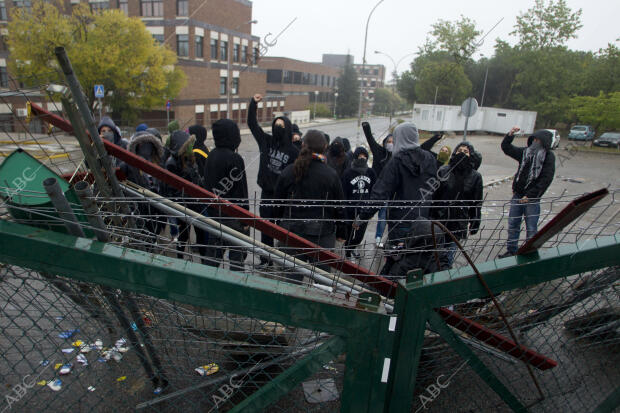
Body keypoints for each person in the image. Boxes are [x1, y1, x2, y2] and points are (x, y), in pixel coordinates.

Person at [358, 122, 437, 275]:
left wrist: (363, 216)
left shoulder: (397, 161)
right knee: (416, 259)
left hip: (400, 222)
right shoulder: (430, 159)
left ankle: (389, 291)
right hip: (423, 221)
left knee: (396, 260)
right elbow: (436, 188)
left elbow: (381, 191)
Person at [273, 130, 345, 282]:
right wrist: (342, 232)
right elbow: (340, 206)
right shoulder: (331, 175)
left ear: (303, 145)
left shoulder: (289, 171)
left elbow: (276, 203)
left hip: (291, 234)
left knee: (291, 281)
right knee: (322, 282)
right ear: (325, 147)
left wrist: (277, 224)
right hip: (322, 236)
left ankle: (290, 305)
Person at [248, 93, 299, 267]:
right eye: (276, 124)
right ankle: (266, 260)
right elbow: (252, 125)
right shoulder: (266, 141)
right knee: (266, 228)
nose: (278, 127)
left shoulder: (293, 152)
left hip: (284, 197)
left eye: (281, 125)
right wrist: (253, 104)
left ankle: (283, 259)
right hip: (267, 194)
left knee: (282, 230)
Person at [498, 127, 555, 258]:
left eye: (538, 140)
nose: (535, 142)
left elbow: (546, 178)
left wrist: (530, 195)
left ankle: (530, 252)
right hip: (518, 194)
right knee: (513, 224)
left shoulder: (548, 157)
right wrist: (510, 134)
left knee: (531, 228)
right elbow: (507, 148)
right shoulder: (525, 153)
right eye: (534, 139)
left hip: (532, 199)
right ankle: (511, 250)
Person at [203, 119, 249, 271]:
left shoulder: (211, 155)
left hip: (214, 213)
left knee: (213, 258)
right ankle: (236, 289)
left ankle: (207, 286)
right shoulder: (235, 158)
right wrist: (245, 218)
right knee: (236, 260)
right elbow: (242, 190)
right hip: (232, 215)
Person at [432, 142, 483, 267]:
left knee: (447, 258)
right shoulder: (444, 171)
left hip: (458, 222)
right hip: (440, 220)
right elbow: (434, 195)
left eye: (466, 152)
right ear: (455, 152)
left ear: (471, 155)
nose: (462, 153)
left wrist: (475, 220)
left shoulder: (475, 176)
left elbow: (476, 202)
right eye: (459, 150)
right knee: (434, 255)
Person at [162, 130, 203, 259]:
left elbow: (196, 179)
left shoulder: (189, 159)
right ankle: (180, 258)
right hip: (184, 206)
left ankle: (203, 258)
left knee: (201, 234)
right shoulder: (172, 163)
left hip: (194, 204)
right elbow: (172, 188)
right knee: (183, 235)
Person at [119, 130, 165, 241]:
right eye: (142, 145)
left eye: (149, 145)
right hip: (138, 210)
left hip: (155, 211)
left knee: (152, 237)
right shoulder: (127, 166)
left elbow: (163, 188)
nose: (145, 148)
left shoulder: (158, 166)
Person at [340, 147, 377, 258]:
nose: (362, 158)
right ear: (355, 157)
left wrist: (371, 208)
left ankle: (351, 247)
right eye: (360, 156)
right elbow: (344, 192)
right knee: (350, 233)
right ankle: (348, 251)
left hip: (364, 210)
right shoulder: (348, 173)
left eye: (364, 156)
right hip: (351, 209)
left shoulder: (370, 172)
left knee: (359, 236)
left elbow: (374, 190)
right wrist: (345, 210)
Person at [361, 122, 393, 245]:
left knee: (383, 216)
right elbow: (370, 139)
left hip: (388, 191)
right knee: (367, 213)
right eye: (388, 141)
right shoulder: (378, 151)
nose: (390, 144)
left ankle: (378, 237)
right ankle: (357, 233)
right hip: (375, 189)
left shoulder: (396, 156)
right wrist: (366, 128)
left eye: (393, 142)